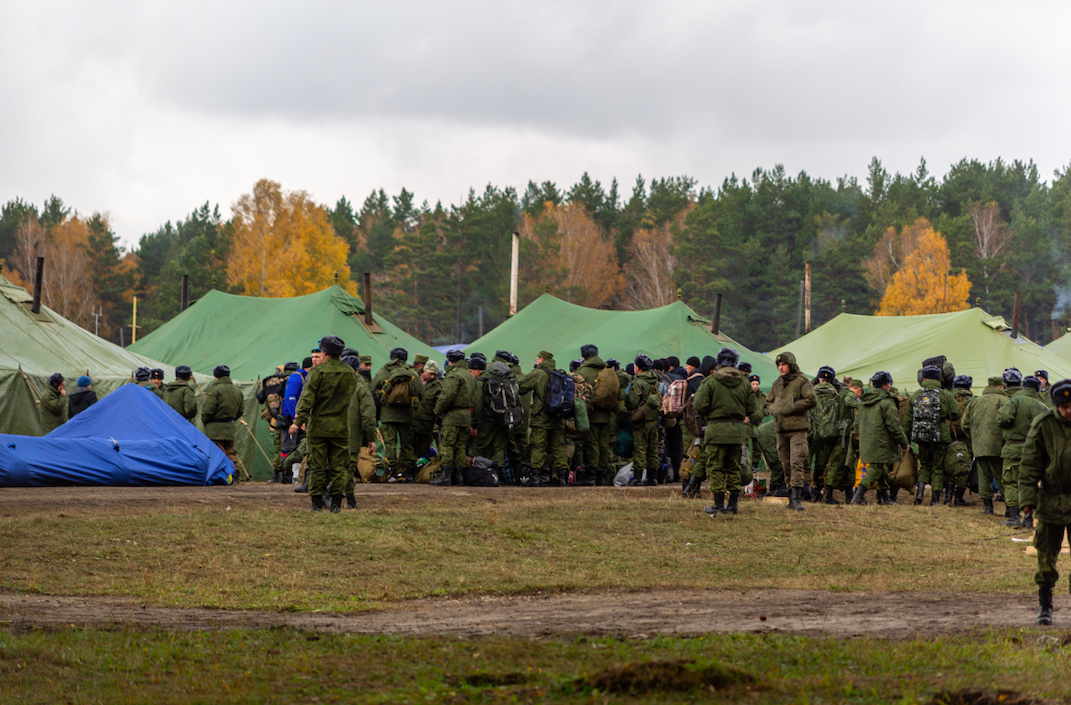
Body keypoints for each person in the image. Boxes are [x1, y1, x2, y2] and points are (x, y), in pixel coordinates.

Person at [1019, 378, 1071, 625]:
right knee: (1046, 558)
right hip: (1050, 501)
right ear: (1056, 405)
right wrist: (1027, 498)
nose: (1069, 410)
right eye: (1064, 406)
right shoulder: (1043, 425)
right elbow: (1030, 464)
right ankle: (1045, 606)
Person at [291, 336, 356, 512]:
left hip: (318, 428)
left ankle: (317, 505)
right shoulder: (349, 373)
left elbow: (307, 399)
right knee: (339, 468)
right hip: (341, 428)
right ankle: (336, 505)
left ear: (324, 353)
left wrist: (298, 421)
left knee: (317, 468)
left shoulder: (317, 373)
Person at [695, 347, 758, 516]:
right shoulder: (744, 383)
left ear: (718, 363)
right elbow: (752, 408)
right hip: (737, 431)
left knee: (715, 467)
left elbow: (699, 406)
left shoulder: (710, 382)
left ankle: (718, 504)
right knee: (734, 467)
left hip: (716, 430)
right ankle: (733, 505)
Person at [765, 352, 817, 511]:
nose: (780, 367)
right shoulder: (777, 384)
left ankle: (796, 498)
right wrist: (773, 409)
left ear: (791, 365)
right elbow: (768, 402)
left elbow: (811, 399)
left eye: (784, 364)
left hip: (797, 430)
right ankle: (790, 495)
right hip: (781, 430)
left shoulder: (802, 381)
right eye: (779, 365)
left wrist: (791, 407)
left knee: (796, 462)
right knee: (785, 464)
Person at [851, 371, 910, 505]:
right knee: (876, 469)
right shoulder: (887, 402)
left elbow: (856, 424)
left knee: (881, 468)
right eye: (889, 383)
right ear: (885, 385)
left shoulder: (863, 402)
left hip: (866, 441)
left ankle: (885, 498)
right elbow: (894, 426)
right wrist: (903, 442)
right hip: (882, 442)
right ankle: (857, 497)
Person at [904, 365, 960, 506]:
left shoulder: (916, 395)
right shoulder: (945, 395)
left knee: (924, 465)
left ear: (923, 378)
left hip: (921, 435)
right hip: (940, 435)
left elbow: (908, 420)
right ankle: (934, 499)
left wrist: (905, 439)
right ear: (938, 378)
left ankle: (920, 494)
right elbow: (956, 414)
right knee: (937, 467)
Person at [998, 373, 1049, 528]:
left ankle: (1014, 517)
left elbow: (1002, 419)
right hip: (1034, 451)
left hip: (1013, 447)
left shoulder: (1014, 401)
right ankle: (1028, 518)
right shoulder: (1042, 407)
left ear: (1023, 386)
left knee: (1010, 482)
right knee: (1030, 484)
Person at [518, 351, 568, 487]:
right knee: (558, 448)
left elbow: (520, 385)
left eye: (537, 359)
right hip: (557, 418)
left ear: (541, 359)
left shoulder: (539, 374)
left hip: (541, 417)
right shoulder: (560, 374)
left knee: (538, 447)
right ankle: (563, 478)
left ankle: (537, 478)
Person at [961, 376, 1010, 515]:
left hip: (979, 446)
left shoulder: (975, 401)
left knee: (983, 475)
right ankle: (1010, 508)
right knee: (1002, 476)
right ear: (1001, 386)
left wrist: (974, 438)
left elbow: (964, 424)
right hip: (998, 445)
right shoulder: (1004, 400)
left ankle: (988, 508)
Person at [373, 347, 422, 481]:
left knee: (390, 444)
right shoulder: (412, 372)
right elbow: (420, 393)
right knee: (407, 444)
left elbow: (373, 390)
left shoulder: (384, 371)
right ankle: (409, 472)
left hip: (388, 415)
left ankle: (392, 472)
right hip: (407, 415)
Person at [431, 349, 474, 486]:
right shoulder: (469, 375)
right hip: (466, 415)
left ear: (450, 361)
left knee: (447, 445)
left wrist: (438, 410)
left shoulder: (453, 375)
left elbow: (446, 396)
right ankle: (459, 477)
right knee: (461, 446)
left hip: (453, 415)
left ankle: (446, 475)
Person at [342, 353, 376, 504]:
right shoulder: (361, 388)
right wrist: (371, 439)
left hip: (329, 433)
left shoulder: (330, 385)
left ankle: (324, 497)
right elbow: (368, 416)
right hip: (352, 436)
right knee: (349, 468)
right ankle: (349, 500)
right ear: (357, 370)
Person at [577, 344, 613, 487]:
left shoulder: (583, 371)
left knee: (592, 444)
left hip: (589, 414)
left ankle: (591, 476)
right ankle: (601, 476)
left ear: (584, 357)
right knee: (604, 445)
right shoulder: (607, 370)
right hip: (606, 413)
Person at [201, 365, 245, 479]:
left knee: (217, 452)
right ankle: (235, 474)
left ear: (216, 376)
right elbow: (240, 411)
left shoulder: (215, 390)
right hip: (230, 427)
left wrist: (206, 422)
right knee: (230, 452)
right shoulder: (237, 391)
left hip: (214, 427)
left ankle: (219, 476)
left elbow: (207, 411)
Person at [626, 354, 662, 486]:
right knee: (653, 448)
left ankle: (638, 477)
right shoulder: (654, 381)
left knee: (640, 448)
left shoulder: (639, 382)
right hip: (653, 419)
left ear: (638, 368)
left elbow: (632, 401)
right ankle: (652, 477)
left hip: (641, 420)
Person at [809, 366, 842, 502]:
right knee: (821, 464)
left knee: (805, 462)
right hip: (828, 434)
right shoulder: (836, 393)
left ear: (818, 378)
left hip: (810, 433)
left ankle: (804, 490)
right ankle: (819, 488)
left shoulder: (809, 392)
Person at [944, 374, 975, 506]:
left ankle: (947, 496)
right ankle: (958, 498)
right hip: (966, 437)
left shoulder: (947, 397)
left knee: (950, 463)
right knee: (964, 466)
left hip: (948, 435)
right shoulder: (972, 400)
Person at [413, 359, 443, 461]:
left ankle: (420, 474)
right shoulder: (413, 379)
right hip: (411, 422)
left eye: (434, 374)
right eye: (431, 374)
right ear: (424, 371)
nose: (433, 377)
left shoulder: (437, 386)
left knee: (423, 452)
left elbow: (440, 403)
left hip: (426, 425)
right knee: (408, 450)